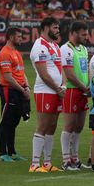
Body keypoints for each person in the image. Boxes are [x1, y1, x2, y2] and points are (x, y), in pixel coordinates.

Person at [29, 17, 65, 173]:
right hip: (45, 90)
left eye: (58, 27)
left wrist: (62, 85)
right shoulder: (39, 46)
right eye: (55, 27)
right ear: (45, 28)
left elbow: (61, 68)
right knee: (42, 126)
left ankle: (47, 162)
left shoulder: (55, 46)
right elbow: (43, 73)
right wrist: (57, 88)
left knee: (52, 126)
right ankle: (34, 164)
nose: (58, 30)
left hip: (56, 90)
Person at [0, 27, 30, 162]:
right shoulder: (5, 53)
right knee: (6, 122)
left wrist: (27, 87)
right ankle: (3, 153)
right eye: (19, 36)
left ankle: (12, 151)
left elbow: (22, 73)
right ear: (11, 37)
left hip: (19, 91)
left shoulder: (16, 52)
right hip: (9, 91)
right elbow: (8, 77)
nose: (21, 39)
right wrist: (22, 90)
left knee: (14, 122)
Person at [60, 21, 90, 171]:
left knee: (79, 126)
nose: (87, 37)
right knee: (69, 125)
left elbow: (86, 70)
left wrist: (89, 86)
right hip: (72, 90)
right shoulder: (66, 49)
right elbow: (69, 75)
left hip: (83, 91)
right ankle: (66, 160)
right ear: (74, 33)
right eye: (83, 34)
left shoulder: (83, 49)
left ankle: (75, 158)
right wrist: (84, 87)